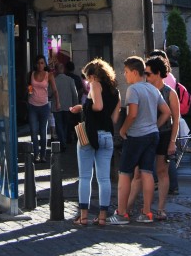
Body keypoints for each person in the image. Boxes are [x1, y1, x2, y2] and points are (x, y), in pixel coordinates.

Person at [108, 56, 171, 225]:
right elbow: (167, 112)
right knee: (147, 173)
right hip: (152, 135)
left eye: (126, 72)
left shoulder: (133, 90)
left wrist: (123, 129)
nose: (125, 75)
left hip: (136, 136)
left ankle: (121, 214)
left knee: (125, 174)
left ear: (134, 72)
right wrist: (154, 126)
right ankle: (146, 213)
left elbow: (132, 114)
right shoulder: (153, 89)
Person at [127, 56, 180, 220]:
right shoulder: (145, 89)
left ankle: (161, 208)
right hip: (145, 135)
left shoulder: (169, 93)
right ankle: (126, 207)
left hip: (163, 135)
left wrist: (172, 141)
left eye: (148, 74)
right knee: (138, 173)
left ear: (158, 74)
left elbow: (175, 119)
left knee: (162, 171)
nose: (146, 76)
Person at [70, 58, 121, 226]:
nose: (86, 81)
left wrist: (83, 107)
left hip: (90, 135)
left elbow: (97, 106)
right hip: (107, 135)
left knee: (85, 177)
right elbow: (113, 118)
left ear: (92, 76)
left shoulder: (95, 85)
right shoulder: (115, 92)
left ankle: (83, 216)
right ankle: (102, 217)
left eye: (87, 77)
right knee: (104, 178)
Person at [27, 55, 59, 163]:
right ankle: (36, 154)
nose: (40, 65)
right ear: (35, 64)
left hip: (44, 106)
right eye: (38, 63)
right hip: (32, 105)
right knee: (33, 131)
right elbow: (29, 87)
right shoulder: (31, 74)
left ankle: (43, 155)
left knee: (43, 131)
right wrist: (29, 93)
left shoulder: (49, 75)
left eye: (42, 63)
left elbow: (55, 90)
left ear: (44, 64)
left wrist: (57, 102)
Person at [53, 63, 78, 148]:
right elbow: (75, 94)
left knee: (59, 124)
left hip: (56, 106)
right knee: (66, 124)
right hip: (68, 106)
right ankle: (64, 140)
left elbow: (49, 93)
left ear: (56, 70)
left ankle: (62, 141)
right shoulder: (70, 80)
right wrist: (75, 105)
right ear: (63, 69)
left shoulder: (54, 80)